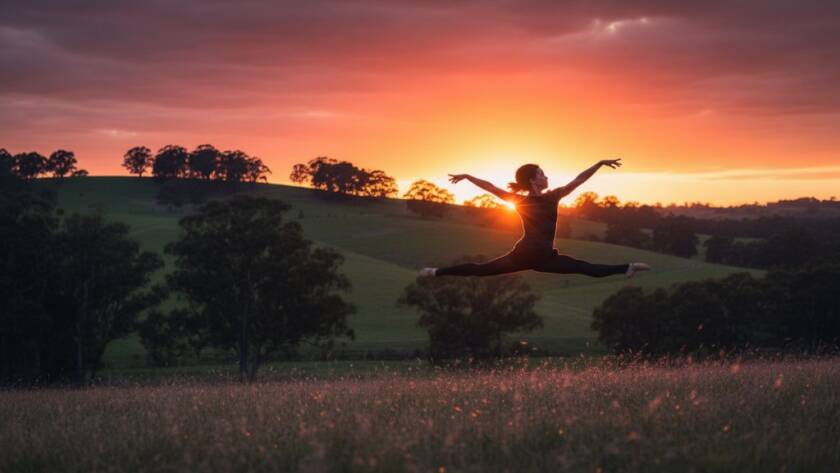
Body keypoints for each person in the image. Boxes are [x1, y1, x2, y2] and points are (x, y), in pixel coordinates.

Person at [418, 159, 650, 278]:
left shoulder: (553, 197)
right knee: (480, 270)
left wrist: (598, 164)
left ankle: (627, 268)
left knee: (584, 268)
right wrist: (468, 176)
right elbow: (490, 187)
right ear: (533, 180)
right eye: (542, 174)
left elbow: (578, 180)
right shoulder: (520, 201)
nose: (546, 177)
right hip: (524, 255)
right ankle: (434, 272)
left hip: (544, 258)